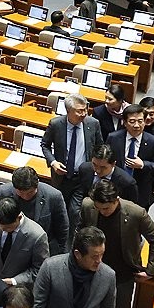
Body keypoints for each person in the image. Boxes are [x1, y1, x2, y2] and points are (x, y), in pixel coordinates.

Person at [79, 180, 154, 308]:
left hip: (123, 273)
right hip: (92, 269)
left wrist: (151, 270)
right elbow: (80, 232)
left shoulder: (136, 213)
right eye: (98, 208)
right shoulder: (88, 205)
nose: (102, 212)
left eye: (106, 208)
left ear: (116, 200)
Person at [40, 93, 103, 224]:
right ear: (68, 111)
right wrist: (53, 162)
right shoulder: (56, 124)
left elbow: (100, 147)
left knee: (75, 212)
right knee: (59, 209)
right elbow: (45, 145)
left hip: (82, 177)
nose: (84, 113)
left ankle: (71, 240)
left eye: (86, 109)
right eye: (79, 111)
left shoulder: (93, 123)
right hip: (61, 176)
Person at [0, 166, 69, 256]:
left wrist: (59, 255)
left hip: (42, 248)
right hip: (13, 246)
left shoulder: (54, 196)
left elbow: (62, 229)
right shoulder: (4, 192)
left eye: (30, 192)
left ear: (37, 183)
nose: (25, 196)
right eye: (20, 192)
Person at [0, 196, 49, 286]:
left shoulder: (37, 236)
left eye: (7, 227)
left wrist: (14, 281)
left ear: (19, 218)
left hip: (17, 288)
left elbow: (40, 269)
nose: (1, 229)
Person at [107, 103, 154, 209]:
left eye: (140, 121)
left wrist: (143, 165)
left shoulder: (153, 141)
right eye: (132, 121)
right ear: (124, 122)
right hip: (115, 189)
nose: (136, 125)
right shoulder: (113, 138)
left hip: (140, 191)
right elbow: (106, 160)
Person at [69, 144, 139, 222]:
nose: (97, 170)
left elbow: (131, 209)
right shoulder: (85, 169)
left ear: (113, 164)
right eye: (94, 165)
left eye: (103, 167)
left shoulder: (127, 183)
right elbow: (80, 193)